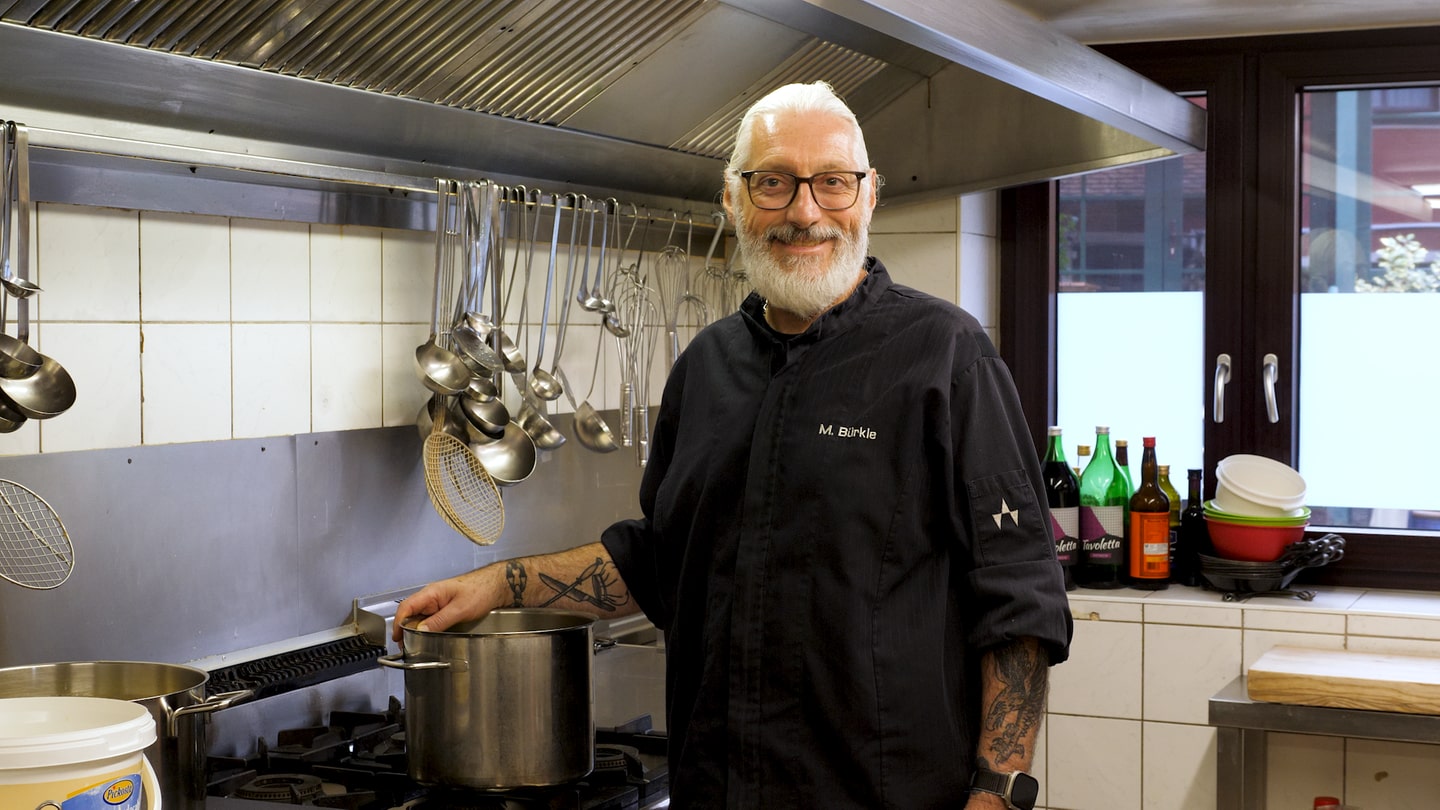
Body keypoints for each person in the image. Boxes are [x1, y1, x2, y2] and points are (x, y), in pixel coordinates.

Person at [394, 80, 1073, 810]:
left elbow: (1019, 599)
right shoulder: (706, 369)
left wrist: (998, 792)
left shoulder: (946, 355)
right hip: (717, 790)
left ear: (870, 194)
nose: (805, 212)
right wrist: (500, 585)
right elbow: (663, 561)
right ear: (733, 200)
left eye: (832, 183)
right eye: (774, 183)